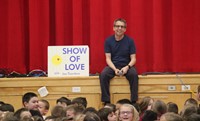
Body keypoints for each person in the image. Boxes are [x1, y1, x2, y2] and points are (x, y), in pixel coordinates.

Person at [99, 18, 138, 105]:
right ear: (113, 28)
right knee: (103, 74)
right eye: (117, 26)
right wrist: (114, 69)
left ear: (125, 29)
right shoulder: (108, 41)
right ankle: (106, 101)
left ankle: (134, 101)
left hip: (126, 65)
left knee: (133, 74)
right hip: (113, 65)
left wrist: (127, 67)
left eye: (122, 27)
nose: (119, 28)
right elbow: (108, 58)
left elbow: (133, 59)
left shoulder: (130, 41)